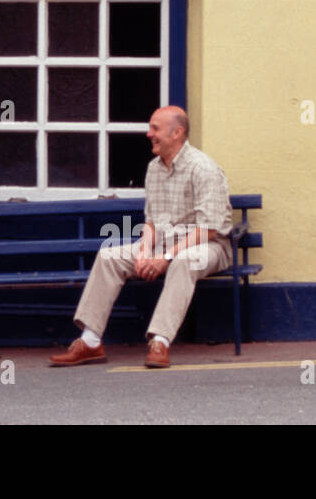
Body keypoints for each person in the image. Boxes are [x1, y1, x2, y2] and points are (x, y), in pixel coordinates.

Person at [50, 105, 232, 370]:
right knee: (109, 255)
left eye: (155, 129)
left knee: (185, 261)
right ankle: (90, 342)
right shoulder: (154, 169)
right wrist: (146, 251)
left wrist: (165, 257)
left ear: (177, 133)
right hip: (164, 244)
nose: (149, 134)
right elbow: (151, 221)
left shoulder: (203, 168)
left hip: (207, 245)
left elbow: (208, 228)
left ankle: (160, 341)